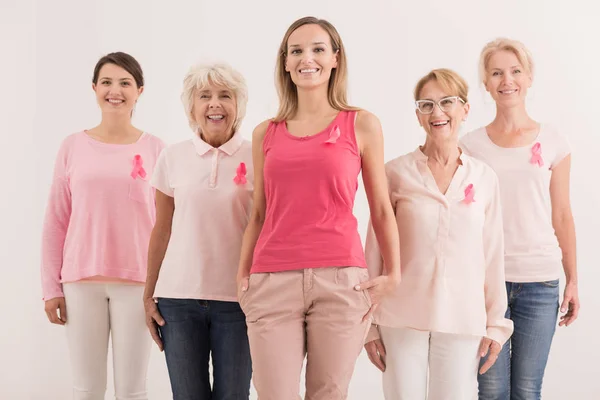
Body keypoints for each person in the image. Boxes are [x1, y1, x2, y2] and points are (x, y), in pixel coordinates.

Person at [236, 16, 400, 400]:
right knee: (274, 394)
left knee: (328, 393)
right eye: (296, 51)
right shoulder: (266, 132)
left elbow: (380, 206)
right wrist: (243, 277)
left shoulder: (361, 124)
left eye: (317, 49)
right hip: (271, 280)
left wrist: (393, 273)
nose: (306, 58)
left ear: (335, 59)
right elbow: (258, 212)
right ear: (286, 63)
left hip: (342, 281)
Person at [364, 68, 513, 400]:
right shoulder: (395, 173)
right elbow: (373, 250)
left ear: (465, 109)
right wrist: (369, 325)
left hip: (462, 318)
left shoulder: (485, 178)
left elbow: (491, 255)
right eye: (426, 105)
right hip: (401, 315)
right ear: (418, 116)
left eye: (447, 102)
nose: (437, 112)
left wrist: (496, 325)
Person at [460, 38, 580, 400]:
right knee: (491, 389)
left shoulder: (554, 141)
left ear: (528, 78)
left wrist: (573, 279)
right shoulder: (470, 146)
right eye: (496, 73)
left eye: (514, 71)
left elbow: (562, 214)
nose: (506, 80)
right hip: (486, 284)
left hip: (540, 283)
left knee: (527, 390)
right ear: (485, 82)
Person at [41, 52, 165, 400]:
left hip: (139, 284)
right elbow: (56, 219)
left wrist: (163, 286)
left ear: (140, 90)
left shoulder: (157, 149)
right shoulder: (72, 146)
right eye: (107, 82)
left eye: (125, 82)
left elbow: (168, 225)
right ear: (94, 88)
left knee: (132, 390)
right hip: (80, 283)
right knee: (87, 389)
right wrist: (51, 288)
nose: (115, 90)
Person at [143, 63, 253, 400]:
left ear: (239, 105)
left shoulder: (259, 156)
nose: (215, 104)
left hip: (239, 303)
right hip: (178, 302)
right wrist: (149, 295)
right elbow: (161, 229)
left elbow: (267, 228)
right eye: (204, 96)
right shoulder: (172, 156)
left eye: (225, 95)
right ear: (192, 106)